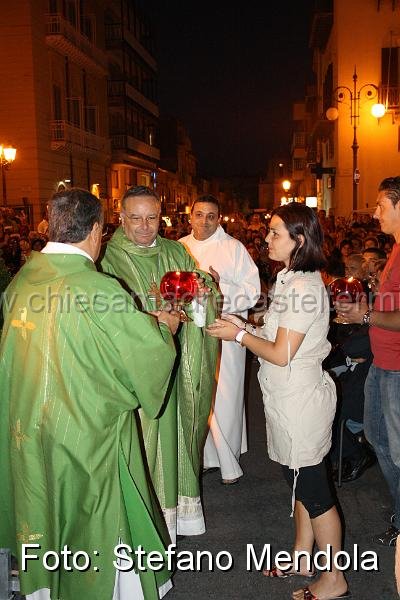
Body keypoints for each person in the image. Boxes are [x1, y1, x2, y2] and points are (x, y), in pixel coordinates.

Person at [0, 188, 180, 600]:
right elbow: (146, 354)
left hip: (28, 423)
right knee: (96, 516)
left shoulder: (24, 279)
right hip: (85, 431)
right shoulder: (97, 288)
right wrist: (164, 326)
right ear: (98, 230)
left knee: (43, 505)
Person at [207, 203, 349, 600]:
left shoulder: (304, 287)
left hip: (299, 398)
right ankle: (303, 557)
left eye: (274, 233)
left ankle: (334, 578)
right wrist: (239, 321)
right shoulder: (289, 277)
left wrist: (236, 337)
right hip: (286, 397)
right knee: (299, 482)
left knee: (315, 492)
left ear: (298, 240)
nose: (265, 239)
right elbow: (269, 329)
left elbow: (281, 352)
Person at [100, 185, 219, 541]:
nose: (143, 226)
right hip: (136, 373)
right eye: (134, 218)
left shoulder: (175, 251)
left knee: (178, 432)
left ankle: (175, 518)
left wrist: (203, 286)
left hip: (177, 363)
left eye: (152, 218)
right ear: (121, 218)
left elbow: (203, 298)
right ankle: (141, 526)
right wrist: (149, 320)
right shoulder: (108, 258)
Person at [336, 176, 400, 547]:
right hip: (383, 361)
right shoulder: (393, 249)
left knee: (395, 447)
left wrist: (364, 316)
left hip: (396, 367)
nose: (374, 212)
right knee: (377, 438)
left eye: (380, 205)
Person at [180, 195, 260, 484]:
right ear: (190, 216)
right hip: (190, 331)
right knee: (195, 394)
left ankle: (227, 463)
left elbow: (252, 292)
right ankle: (201, 456)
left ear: (219, 218)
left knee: (224, 398)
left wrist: (218, 284)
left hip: (226, 330)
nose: (204, 221)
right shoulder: (180, 247)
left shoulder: (233, 248)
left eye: (211, 215)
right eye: (199, 214)